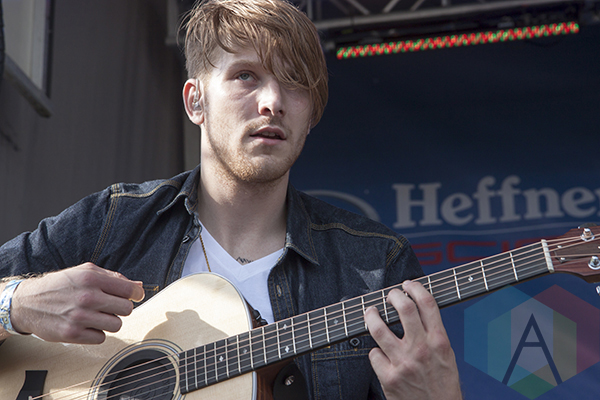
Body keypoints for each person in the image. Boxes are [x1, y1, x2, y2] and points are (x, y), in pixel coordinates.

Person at [0, 0, 462, 398]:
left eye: (295, 83)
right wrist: (17, 303)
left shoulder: (376, 265)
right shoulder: (113, 220)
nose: (273, 102)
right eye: (245, 76)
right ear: (196, 101)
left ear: (310, 116)